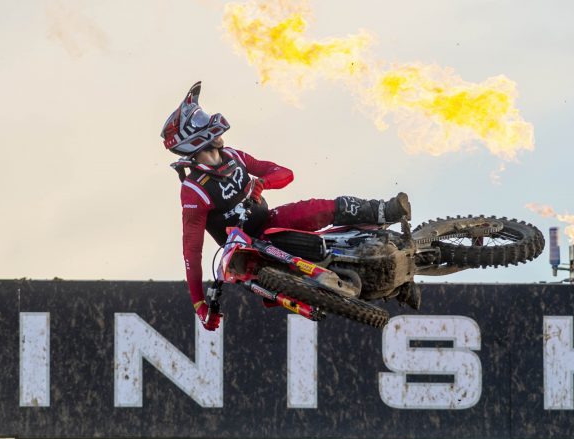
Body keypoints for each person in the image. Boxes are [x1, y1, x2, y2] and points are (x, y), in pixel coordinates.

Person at [161, 82, 411, 331]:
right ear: (191, 138)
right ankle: (385, 288)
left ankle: (385, 210)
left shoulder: (234, 156)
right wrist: (200, 304)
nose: (210, 120)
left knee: (316, 208)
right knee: (304, 270)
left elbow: (284, 173)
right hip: (245, 253)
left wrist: (263, 183)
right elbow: (191, 252)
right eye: (201, 119)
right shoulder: (193, 190)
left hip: (270, 221)